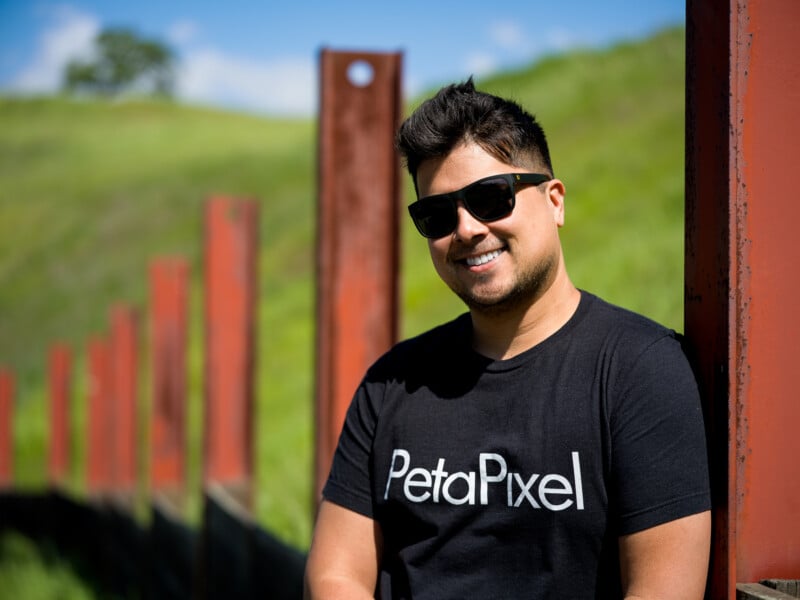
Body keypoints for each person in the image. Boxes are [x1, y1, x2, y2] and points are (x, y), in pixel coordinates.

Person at [305, 78, 711, 599]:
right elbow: (336, 575)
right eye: (437, 215)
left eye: (491, 198)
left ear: (555, 201)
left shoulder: (641, 371)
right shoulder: (393, 383)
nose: (467, 229)